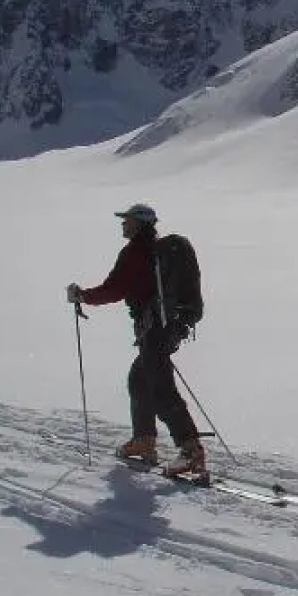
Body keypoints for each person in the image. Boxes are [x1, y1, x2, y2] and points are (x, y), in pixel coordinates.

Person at [66, 204, 207, 480]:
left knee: (160, 388)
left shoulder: (135, 253)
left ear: (139, 224)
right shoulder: (158, 251)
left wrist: (82, 296)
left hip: (155, 327)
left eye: (127, 220)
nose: (123, 225)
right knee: (140, 379)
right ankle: (143, 439)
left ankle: (190, 451)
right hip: (170, 325)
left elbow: (114, 289)